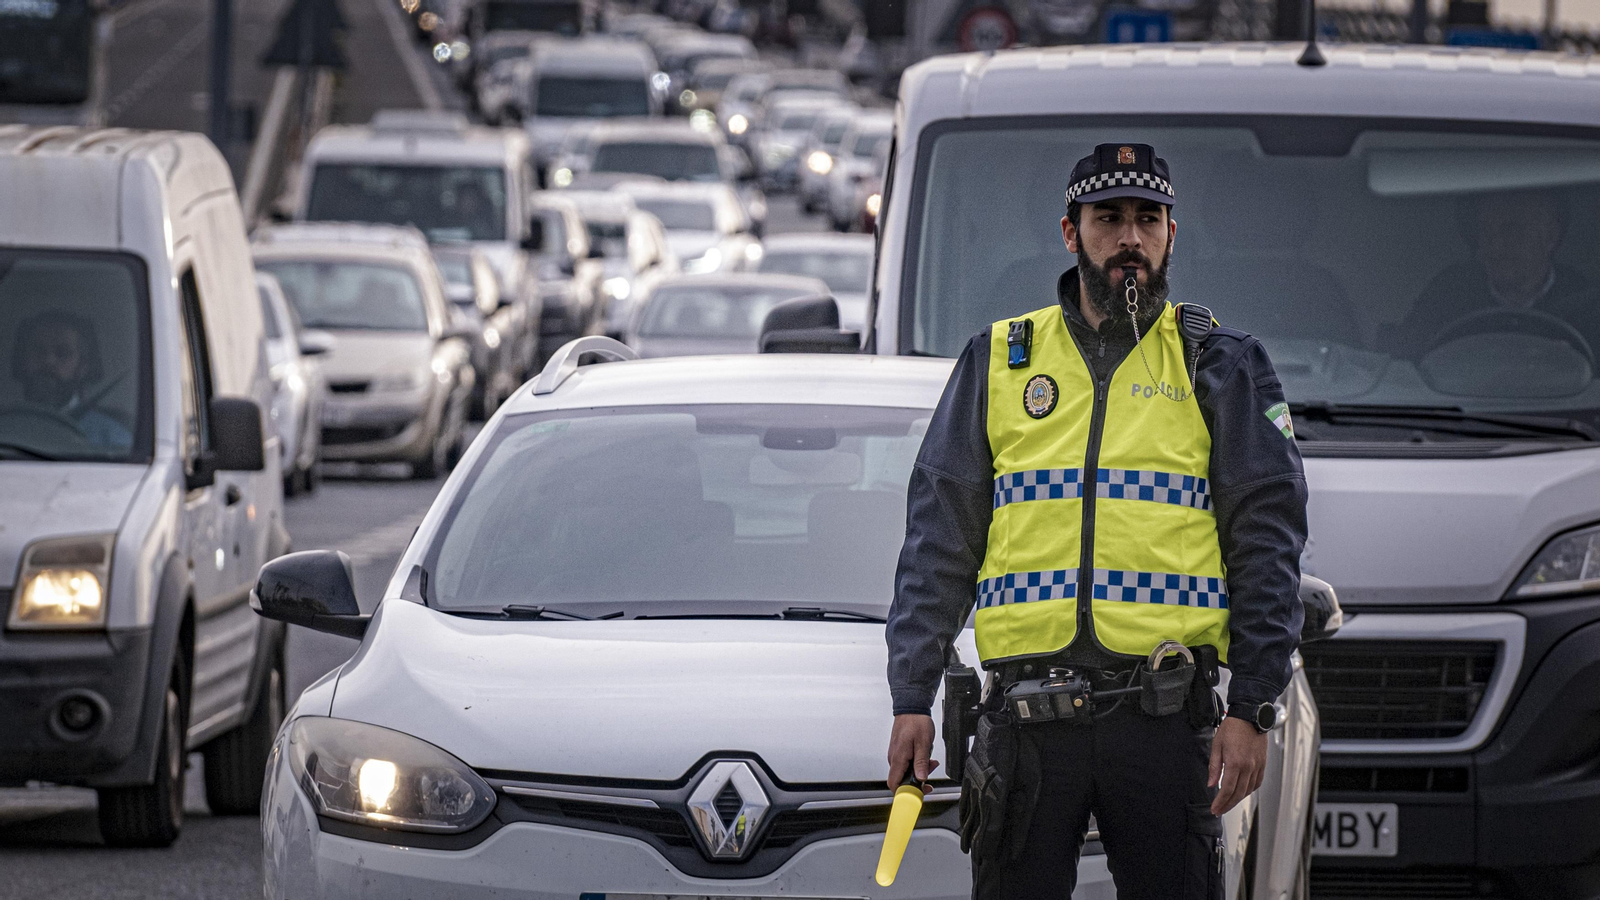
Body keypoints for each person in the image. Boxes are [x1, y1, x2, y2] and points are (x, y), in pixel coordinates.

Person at [884, 144, 1309, 900]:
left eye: (1148, 219)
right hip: (1024, 726)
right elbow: (940, 539)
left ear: (1172, 235)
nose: (1129, 238)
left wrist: (1254, 707)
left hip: (1163, 720)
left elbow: (1267, 544)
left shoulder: (1220, 364)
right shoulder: (1001, 360)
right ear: (1070, 232)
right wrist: (911, 695)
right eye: (1107, 218)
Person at [1396, 191, 1596, 359]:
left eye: (1512, 231)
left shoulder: (1588, 305)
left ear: (1550, 236)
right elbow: (1407, 362)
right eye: (1485, 232)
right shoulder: (1446, 294)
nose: (1495, 245)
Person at [12, 311, 132, 449]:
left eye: (63, 353)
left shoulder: (112, 437)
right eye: (39, 350)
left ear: (83, 366)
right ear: (23, 361)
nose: (48, 361)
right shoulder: (6, 427)